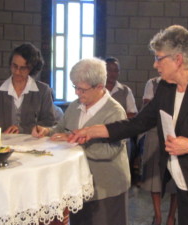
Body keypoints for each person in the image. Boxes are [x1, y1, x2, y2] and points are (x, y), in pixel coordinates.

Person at [69, 25, 188, 225]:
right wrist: (93, 131)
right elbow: (138, 123)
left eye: (158, 58)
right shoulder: (166, 88)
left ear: (178, 59)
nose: (155, 65)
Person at [31, 58, 130, 225]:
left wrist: (73, 141)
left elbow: (110, 151)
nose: (77, 93)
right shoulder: (76, 105)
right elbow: (61, 129)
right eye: (75, 87)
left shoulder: (114, 112)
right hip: (79, 186)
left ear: (100, 87)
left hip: (106, 188)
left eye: (81, 89)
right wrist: (47, 131)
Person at [0, 43, 55, 134]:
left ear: (32, 69)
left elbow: (48, 122)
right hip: (2, 143)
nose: (17, 71)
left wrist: (23, 129)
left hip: (33, 144)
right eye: (14, 66)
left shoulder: (43, 90)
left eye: (23, 68)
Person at [141, 76, 177, 225]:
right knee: (154, 176)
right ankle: (158, 216)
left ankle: (171, 217)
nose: (157, 64)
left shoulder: (183, 83)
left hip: (177, 134)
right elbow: (149, 107)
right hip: (155, 131)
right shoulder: (153, 83)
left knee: (176, 178)